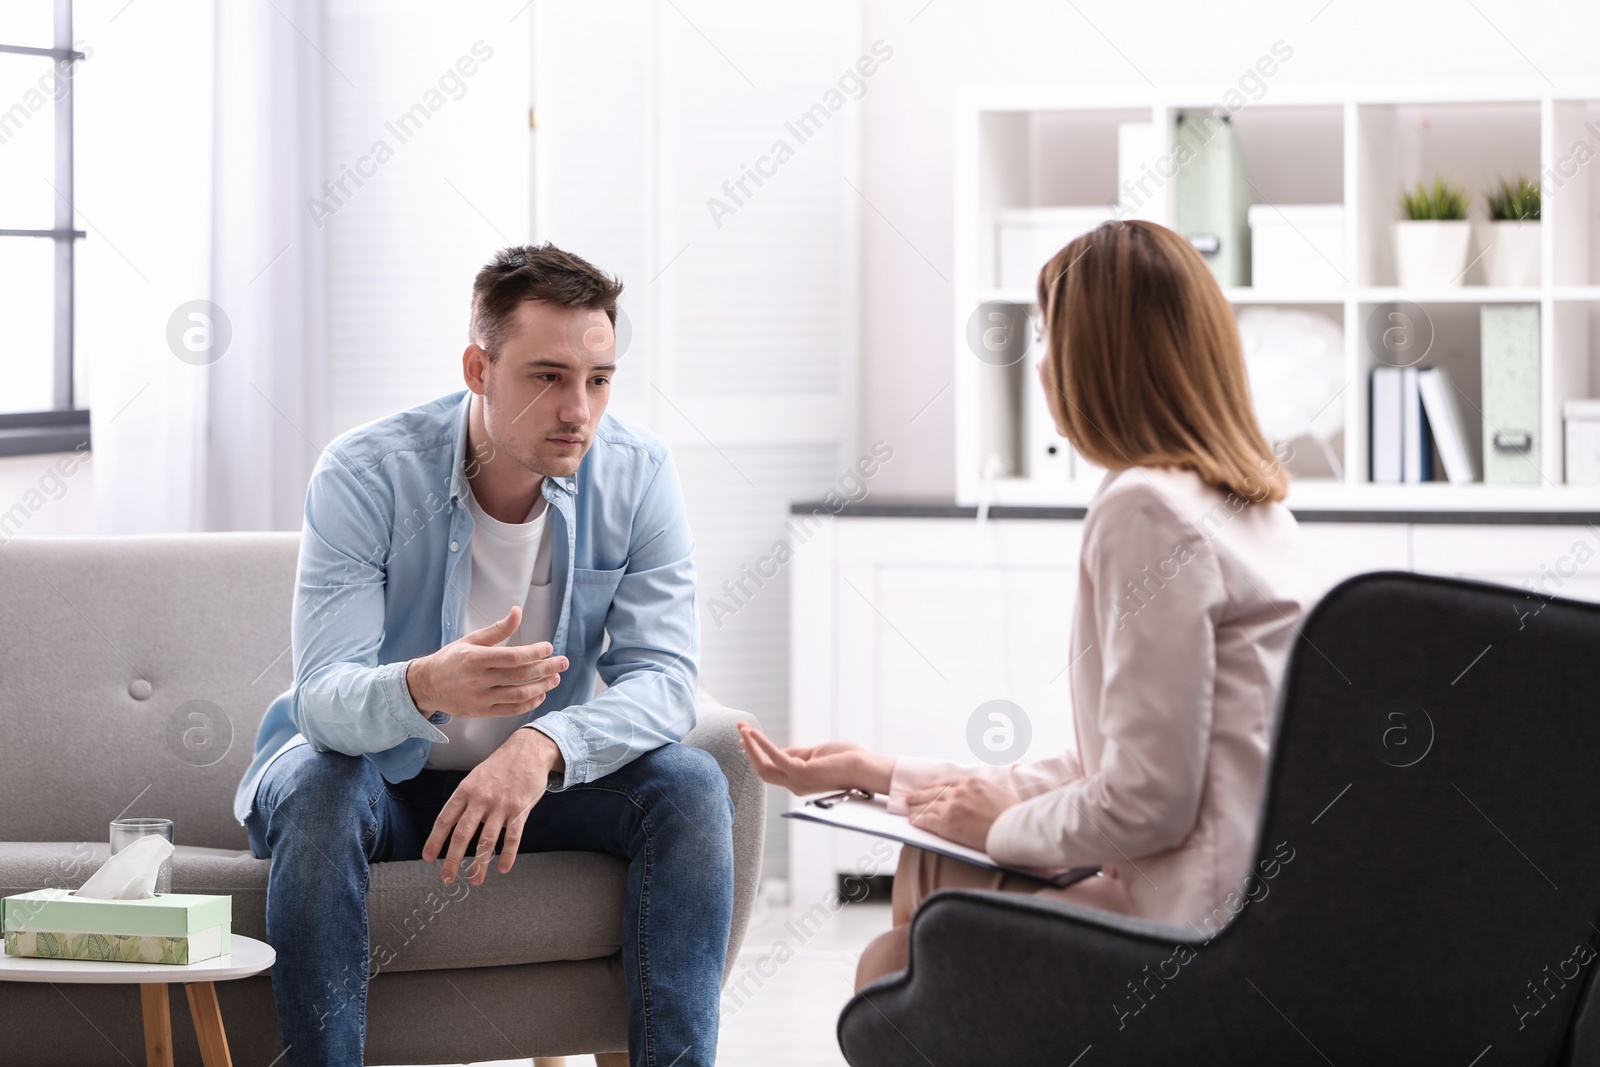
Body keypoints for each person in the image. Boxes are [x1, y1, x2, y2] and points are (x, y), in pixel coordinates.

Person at [740, 219, 1320, 988]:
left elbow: (1151, 799)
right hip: (1255, 902)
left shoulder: (1147, 510)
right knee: (923, 889)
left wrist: (1000, 824)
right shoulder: (1252, 508)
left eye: (1050, 336)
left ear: (1104, 358)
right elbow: (1122, 764)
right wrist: (888, 774)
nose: (1040, 365)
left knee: (902, 944)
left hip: (1198, 930)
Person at [233, 243, 734, 1067]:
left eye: (599, 379)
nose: (578, 407)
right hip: (379, 786)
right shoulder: (366, 474)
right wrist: (425, 682)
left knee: (689, 783)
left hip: (532, 792)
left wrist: (544, 745)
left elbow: (667, 681)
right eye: (547, 375)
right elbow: (322, 696)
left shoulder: (639, 475)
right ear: (478, 367)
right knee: (319, 784)